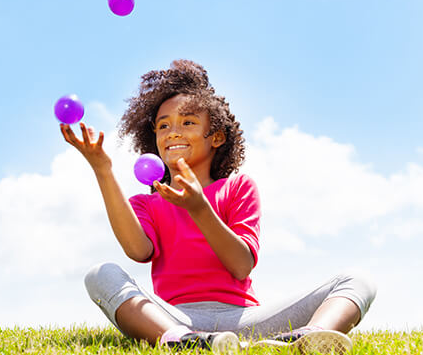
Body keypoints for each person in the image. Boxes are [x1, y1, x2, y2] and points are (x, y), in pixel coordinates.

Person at [60, 59, 376, 354]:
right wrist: (102, 169)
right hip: (173, 317)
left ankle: (307, 338)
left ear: (217, 137)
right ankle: (183, 342)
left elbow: (241, 265)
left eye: (187, 122)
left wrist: (200, 209)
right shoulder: (146, 203)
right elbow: (138, 251)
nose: (174, 132)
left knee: (357, 280)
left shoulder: (237, 188)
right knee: (99, 274)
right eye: (163, 126)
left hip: (244, 320)